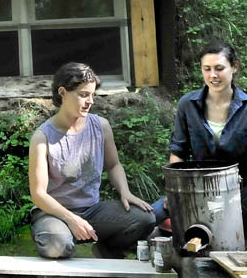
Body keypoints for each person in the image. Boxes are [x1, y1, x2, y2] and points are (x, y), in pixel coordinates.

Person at [151, 41, 247, 248]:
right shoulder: (187, 104)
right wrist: (174, 191)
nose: (213, 75)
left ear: (234, 67)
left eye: (219, 68)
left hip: (243, 189)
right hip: (198, 188)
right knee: (152, 215)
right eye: (207, 69)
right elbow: (178, 152)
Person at [28, 62, 155, 259]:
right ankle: (63, 240)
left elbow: (113, 165)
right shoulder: (42, 137)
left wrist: (125, 192)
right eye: (83, 95)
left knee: (145, 218)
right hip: (53, 214)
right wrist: (71, 219)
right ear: (63, 92)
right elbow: (38, 194)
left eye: (93, 95)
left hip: (92, 211)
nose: (90, 101)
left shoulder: (101, 126)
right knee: (58, 246)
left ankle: (108, 249)